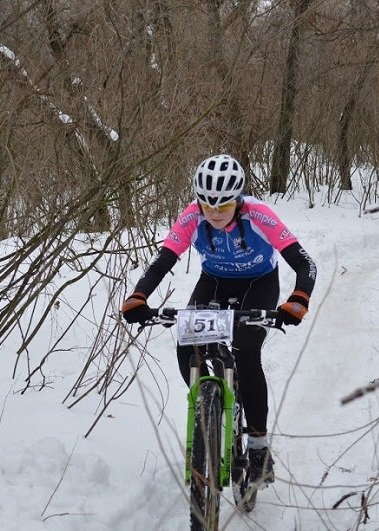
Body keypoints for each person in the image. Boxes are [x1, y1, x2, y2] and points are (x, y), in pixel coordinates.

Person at [121, 153, 316, 485]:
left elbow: (304, 262)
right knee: (188, 347)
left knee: (245, 351)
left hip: (259, 286)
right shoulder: (192, 216)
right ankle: (207, 413)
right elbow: (162, 261)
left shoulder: (259, 215)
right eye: (206, 205)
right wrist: (139, 295)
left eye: (222, 207)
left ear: (238, 201)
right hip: (213, 282)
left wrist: (298, 299)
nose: (212, 214)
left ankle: (257, 447)